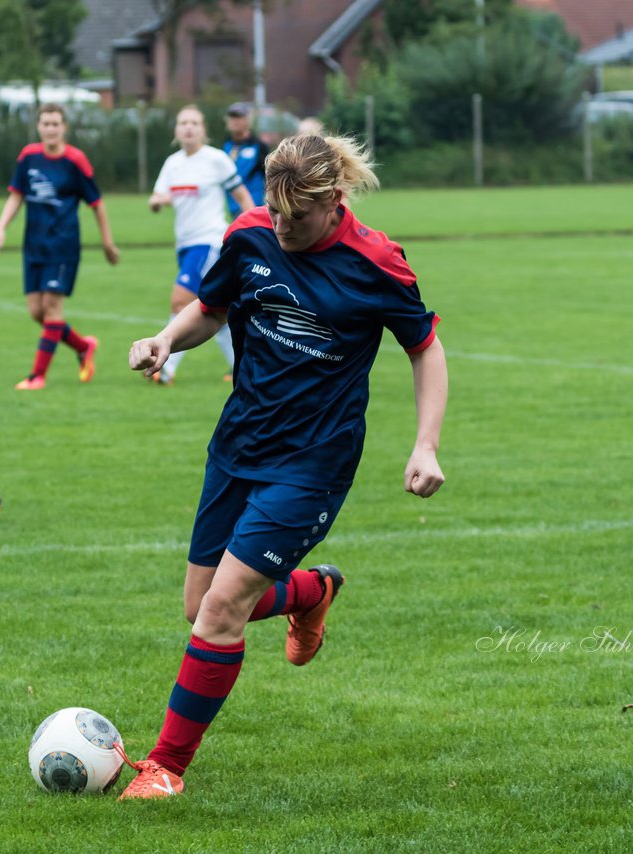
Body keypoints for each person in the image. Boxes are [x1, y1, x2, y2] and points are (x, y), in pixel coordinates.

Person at [119, 133, 447, 799]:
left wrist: (426, 444)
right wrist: (164, 338)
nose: (281, 227)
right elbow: (209, 311)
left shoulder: (377, 261)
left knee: (219, 612)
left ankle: (166, 768)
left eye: (296, 218)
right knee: (200, 605)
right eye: (274, 212)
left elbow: (425, 349)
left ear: (335, 200)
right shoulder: (249, 236)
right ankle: (310, 592)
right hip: (238, 444)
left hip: (313, 463)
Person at [0, 103, 119, 391]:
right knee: (37, 312)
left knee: (51, 308)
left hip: (63, 245)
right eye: (45, 123)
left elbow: (97, 204)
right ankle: (84, 346)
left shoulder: (76, 160)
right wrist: (0, 228)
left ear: (64, 128)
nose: (50, 128)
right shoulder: (28, 156)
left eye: (55, 124)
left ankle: (37, 376)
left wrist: (107, 243)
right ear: (38, 127)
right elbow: (16, 196)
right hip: (33, 245)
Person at [147, 105, 254, 385]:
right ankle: (244, 369)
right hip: (184, 245)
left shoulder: (216, 160)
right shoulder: (173, 163)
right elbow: (158, 195)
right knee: (214, 308)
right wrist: (157, 202)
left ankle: (165, 370)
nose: (189, 127)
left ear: (204, 129)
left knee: (180, 300)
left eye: (194, 122)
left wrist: (254, 232)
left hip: (209, 242)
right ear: (176, 130)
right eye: (183, 122)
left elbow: (242, 197)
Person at [222, 102, 268, 217]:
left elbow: (269, 176)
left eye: (239, 117)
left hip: (254, 206)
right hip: (233, 206)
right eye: (232, 117)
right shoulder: (226, 145)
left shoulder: (259, 146)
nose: (235, 121)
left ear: (248, 120)